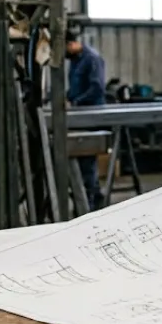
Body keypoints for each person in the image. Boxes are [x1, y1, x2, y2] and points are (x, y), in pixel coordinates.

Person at [65, 30, 106, 211]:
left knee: (87, 159)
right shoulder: (75, 60)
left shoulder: (92, 59)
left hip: (90, 115)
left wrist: (76, 101)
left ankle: (88, 203)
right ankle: (94, 197)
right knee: (84, 160)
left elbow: (97, 88)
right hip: (78, 114)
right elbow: (74, 87)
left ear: (71, 44)